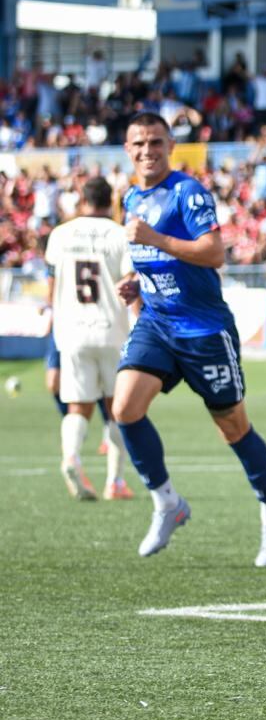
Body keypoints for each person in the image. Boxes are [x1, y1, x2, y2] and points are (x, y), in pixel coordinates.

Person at [112, 112, 266, 566]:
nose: (147, 151)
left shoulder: (187, 192)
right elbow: (152, 256)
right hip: (157, 321)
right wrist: (137, 281)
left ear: (170, 145)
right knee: (124, 409)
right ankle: (167, 503)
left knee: (233, 427)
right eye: (138, 144)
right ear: (127, 149)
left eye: (155, 142)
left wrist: (156, 238)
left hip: (203, 331)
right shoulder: (131, 196)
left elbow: (213, 252)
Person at [44, 177, 133, 501]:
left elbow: (51, 287)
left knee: (78, 407)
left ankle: (71, 458)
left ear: (82, 200)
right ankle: (115, 481)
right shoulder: (119, 234)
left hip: (72, 330)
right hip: (111, 330)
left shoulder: (60, 234)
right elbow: (129, 282)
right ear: (111, 201)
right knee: (117, 409)